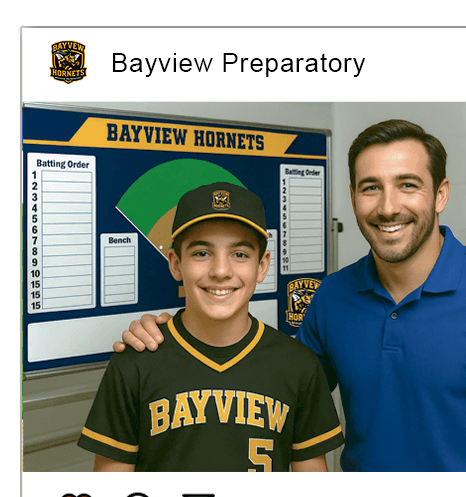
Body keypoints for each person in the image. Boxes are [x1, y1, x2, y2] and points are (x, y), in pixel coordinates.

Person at [114, 121, 466, 473]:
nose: (387, 206)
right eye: (370, 187)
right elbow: (276, 389)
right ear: (352, 197)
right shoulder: (333, 297)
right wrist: (172, 335)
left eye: (407, 185)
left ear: (440, 194)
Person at [79, 182, 343, 471]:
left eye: (240, 254)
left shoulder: (298, 365)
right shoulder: (135, 363)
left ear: (262, 266)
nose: (220, 271)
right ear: (176, 264)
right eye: (201, 253)